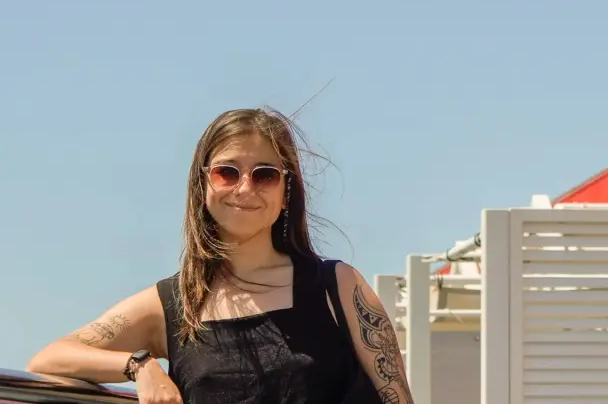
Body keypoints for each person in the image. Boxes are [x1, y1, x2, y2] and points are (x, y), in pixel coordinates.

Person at [26, 108, 409, 404]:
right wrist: (139, 366)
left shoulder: (338, 288)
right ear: (203, 185)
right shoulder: (173, 305)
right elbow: (49, 359)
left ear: (286, 192)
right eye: (227, 172)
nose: (245, 188)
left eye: (264, 175)